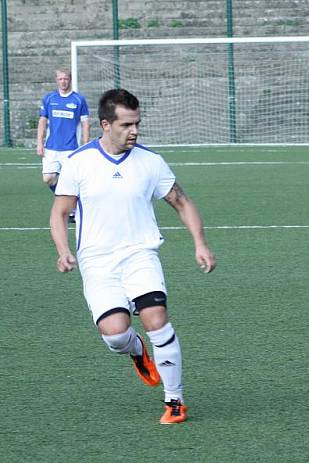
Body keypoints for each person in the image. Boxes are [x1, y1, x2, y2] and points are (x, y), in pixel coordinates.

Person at [49, 88, 216, 424]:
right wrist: (64, 250)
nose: (134, 131)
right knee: (115, 334)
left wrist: (200, 243)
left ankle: (175, 400)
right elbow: (59, 212)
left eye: (137, 123)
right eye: (126, 125)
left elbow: (181, 201)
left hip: (140, 254)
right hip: (97, 261)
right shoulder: (78, 162)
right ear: (105, 124)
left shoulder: (150, 162)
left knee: (156, 317)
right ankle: (137, 350)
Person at [37, 69, 90, 204]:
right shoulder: (49, 98)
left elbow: (85, 124)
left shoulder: (79, 99)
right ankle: (70, 202)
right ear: (56, 80)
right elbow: (42, 121)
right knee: (48, 178)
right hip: (51, 147)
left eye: (65, 78)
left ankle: (72, 207)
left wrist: (85, 144)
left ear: (70, 79)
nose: (63, 81)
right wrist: (39, 143)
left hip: (71, 148)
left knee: (71, 180)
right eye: (60, 79)